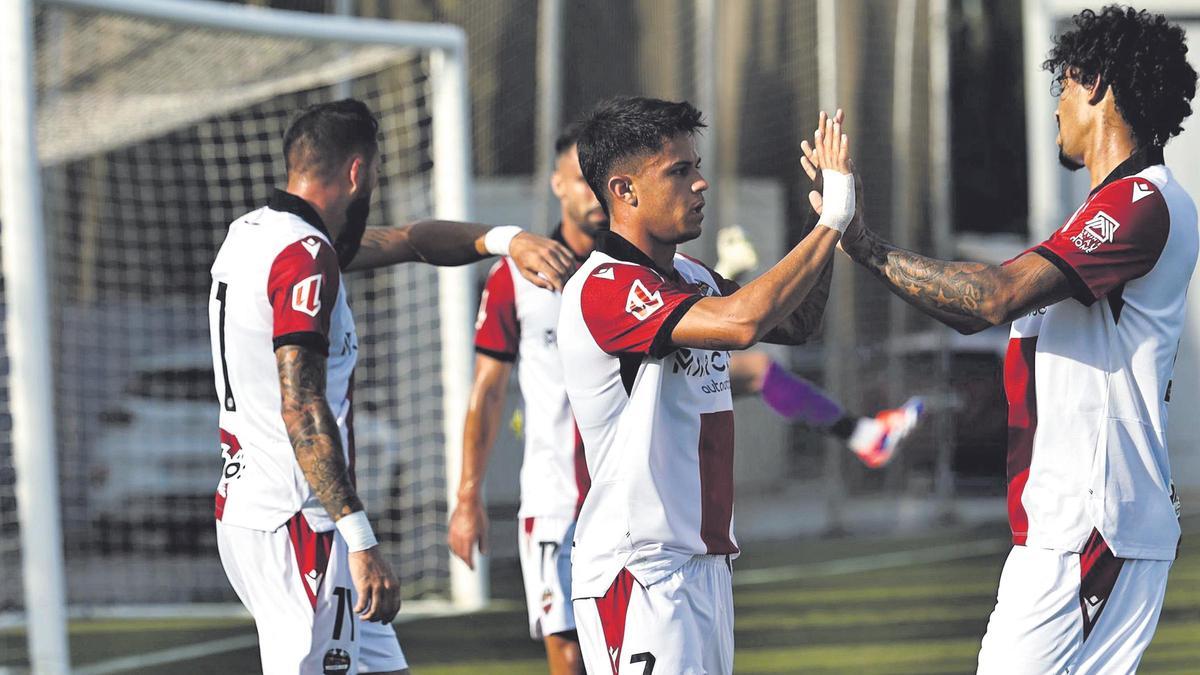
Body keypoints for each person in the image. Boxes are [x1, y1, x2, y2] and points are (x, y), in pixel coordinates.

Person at [803, 7, 1197, 672]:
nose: (1057, 110)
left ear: (1094, 82)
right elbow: (980, 306)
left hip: (1088, 524)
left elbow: (990, 297)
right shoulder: (1113, 207)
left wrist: (861, 242)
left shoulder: (1140, 202)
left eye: (1063, 89)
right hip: (1086, 523)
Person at [208, 98, 576, 675]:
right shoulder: (306, 256)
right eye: (376, 174)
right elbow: (301, 406)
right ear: (358, 172)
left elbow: (410, 240)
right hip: (302, 520)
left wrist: (508, 240)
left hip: (254, 506)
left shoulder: (256, 235)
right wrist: (360, 540)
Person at [557, 96, 857, 673]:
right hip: (640, 571)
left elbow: (791, 321)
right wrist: (831, 220)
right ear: (624, 190)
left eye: (695, 166)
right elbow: (742, 323)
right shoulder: (606, 285)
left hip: (703, 565)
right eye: (678, 171)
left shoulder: (689, 275)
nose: (700, 184)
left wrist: (818, 214)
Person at [447, 122, 602, 675]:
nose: (594, 192)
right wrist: (468, 497)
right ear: (557, 184)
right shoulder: (515, 276)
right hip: (555, 499)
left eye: (605, 179)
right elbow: (488, 390)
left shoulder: (639, 275)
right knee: (569, 653)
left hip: (631, 503)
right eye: (582, 179)